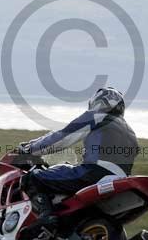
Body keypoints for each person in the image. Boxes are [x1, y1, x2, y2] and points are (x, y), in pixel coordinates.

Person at [17, 86, 139, 229]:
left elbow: (63, 137)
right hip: (121, 180)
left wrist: (30, 148)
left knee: (32, 178)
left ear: (97, 102)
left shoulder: (97, 116)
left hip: (93, 173)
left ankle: (46, 219)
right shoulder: (132, 133)